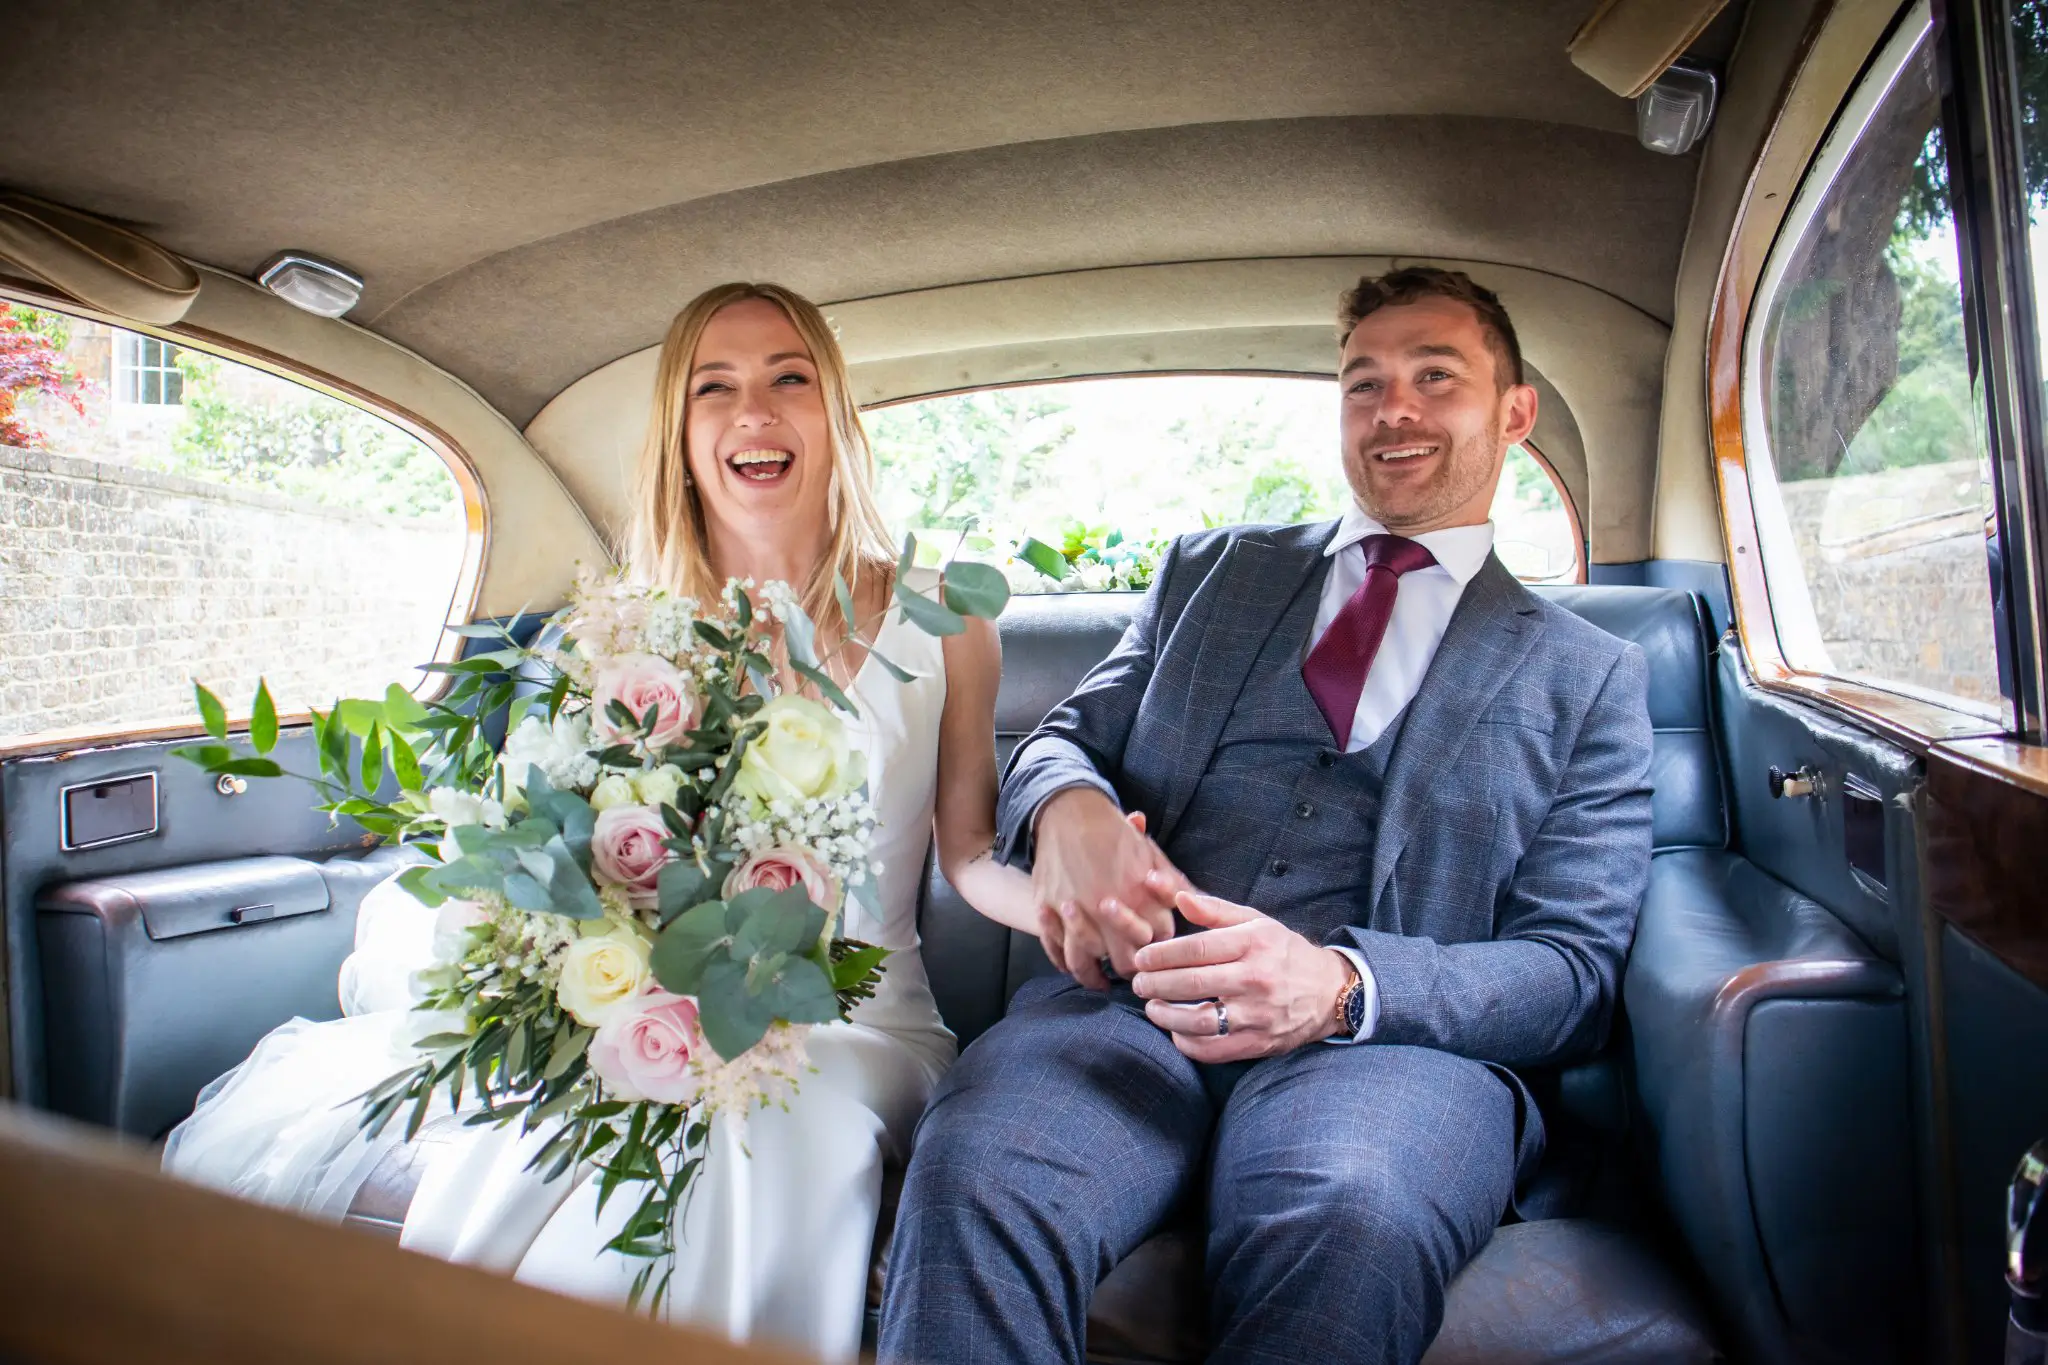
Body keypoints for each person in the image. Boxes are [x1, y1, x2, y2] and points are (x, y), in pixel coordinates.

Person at [164, 282, 1035, 1362]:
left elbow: (971, 854)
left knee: (762, 1113)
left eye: (789, 378)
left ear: (834, 414)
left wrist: (1065, 900)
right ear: (679, 433)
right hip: (672, 1014)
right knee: (588, 1119)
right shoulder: (621, 636)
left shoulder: (946, 616)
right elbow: (584, 860)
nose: (754, 412)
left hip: (869, 1026)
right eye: (714, 388)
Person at [878, 267, 1656, 1365]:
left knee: (1349, 1217)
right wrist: (1069, 805)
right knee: (975, 1172)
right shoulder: (1214, 572)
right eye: (1363, 383)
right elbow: (1060, 741)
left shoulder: (1590, 675)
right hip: (1127, 1009)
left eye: (1435, 377)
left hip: (1391, 1055)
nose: (1392, 410)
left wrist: (1341, 987)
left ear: (1515, 412)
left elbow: (1572, 972)